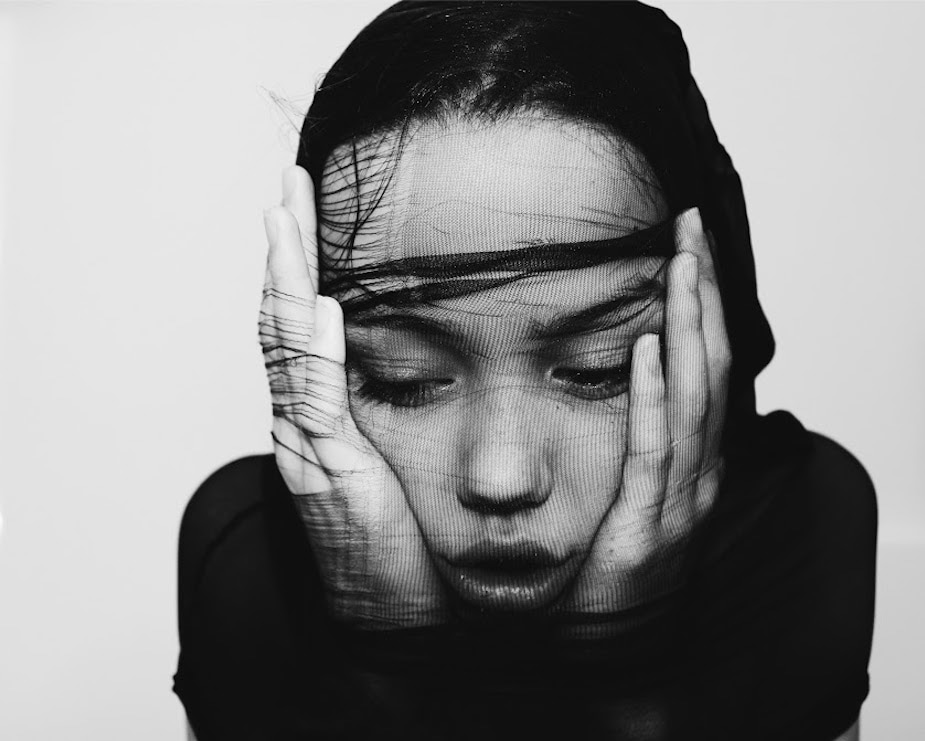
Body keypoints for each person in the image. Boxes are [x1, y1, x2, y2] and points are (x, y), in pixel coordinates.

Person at [173, 3, 876, 739]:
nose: (500, 477)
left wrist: (625, 673)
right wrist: (385, 649)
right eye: (403, 378)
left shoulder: (798, 536)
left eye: (598, 370)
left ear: (705, 329)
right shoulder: (246, 560)